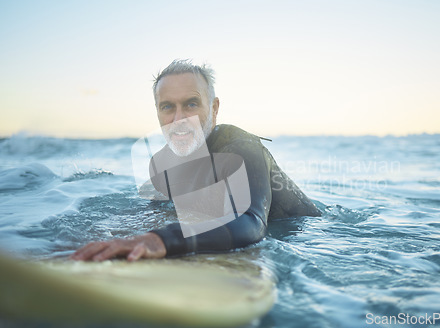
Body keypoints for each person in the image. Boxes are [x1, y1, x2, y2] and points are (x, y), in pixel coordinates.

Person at [71, 59, 321, 262]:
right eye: (167, 107)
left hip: (311, 239)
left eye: (191, 104)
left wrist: (161, 240)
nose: (179, 118)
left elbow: (251, 225)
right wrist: (103, 234)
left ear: (214, 108)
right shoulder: (161, 166)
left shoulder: (240, 147)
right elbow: (155, 215)